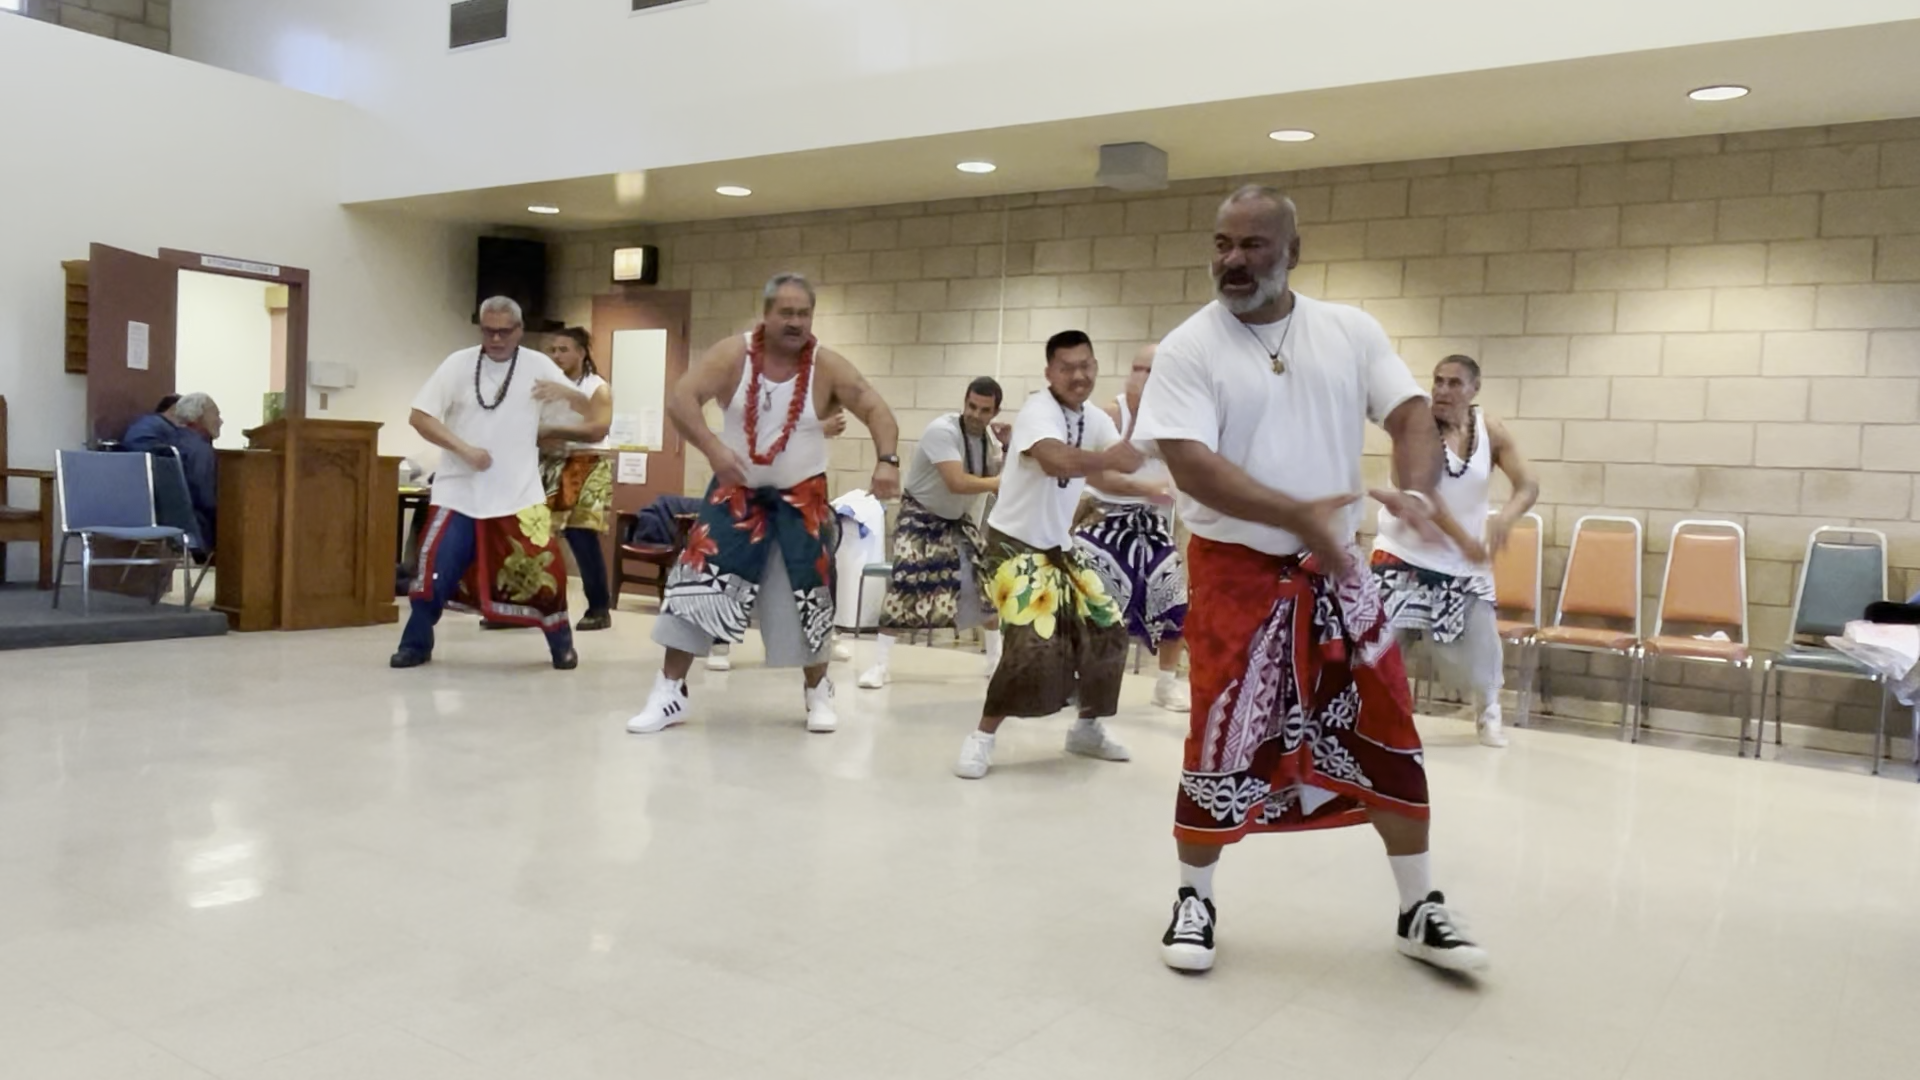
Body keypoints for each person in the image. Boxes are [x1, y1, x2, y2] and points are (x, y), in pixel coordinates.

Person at [1133, 185, 1490, 975]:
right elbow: (1195, 468)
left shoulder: (1347, 330)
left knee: (1389, 719)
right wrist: (1301, 518)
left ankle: (1419, 908)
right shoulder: (1190, 348)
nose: (1233, 260)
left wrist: (1421, 489)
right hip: (1236, 574)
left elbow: (1408, 416)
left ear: (1293, 251)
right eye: (1222, 243)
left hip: (1337, 571)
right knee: (1221, 733)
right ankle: (1194, 898)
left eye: (1253, 245)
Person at [626, 273, 901, 735]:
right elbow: (681, 398)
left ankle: (818, 692)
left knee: (808, 596)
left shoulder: (827, 366)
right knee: (695, 589)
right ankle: (669, 692)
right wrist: (714, 449)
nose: (795, 322)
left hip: (802, 500)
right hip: (735, 495)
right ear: (766, 314)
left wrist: (887, 460)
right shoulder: (734, 356)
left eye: (804, 313)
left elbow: (876, 408)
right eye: (786, 312)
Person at [952, 330, 1148, 780]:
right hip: (1013, 544)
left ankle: (1087, 728)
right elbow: (1056, 461)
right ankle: (982, 737)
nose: (1079, 376)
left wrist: (1149, 487)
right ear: (1049, 373)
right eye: (1067, 368)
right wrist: (1113, 460)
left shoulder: (1094, 418)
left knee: (1107, 628)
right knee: (1032, 642)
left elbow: (1110, 469)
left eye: (1086, 365)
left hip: (1059, 546)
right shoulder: (1039, 410)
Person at [392, 296, 581, 671]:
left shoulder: (539, 365)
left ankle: (561, 643)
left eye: (504, 332)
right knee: (435, 568)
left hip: (520, 492)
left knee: (549, 575)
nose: (495, 339)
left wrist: (568, 403)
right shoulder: (458, 364)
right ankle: (415, 643)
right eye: (488, 331)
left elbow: (588, 413)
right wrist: (464, 450)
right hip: (458, 491)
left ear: (520, 330)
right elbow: (420, 416)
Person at [1370, 354, 1540, 749]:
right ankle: (1371, 724)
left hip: (1461, 565)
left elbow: (1528, 484)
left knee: (1482, 650)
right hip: (1403, 555)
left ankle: (1488, 716)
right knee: (1380, 645)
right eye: (1438, 381)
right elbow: (1421, 493)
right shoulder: (1416, 428)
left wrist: (1506, 518)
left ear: (1473, 389)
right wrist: (1465, 539)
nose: (1442, 390)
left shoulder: (1491, 432)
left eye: (1454, 383)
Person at [858, 376, 1006, 689]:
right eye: (971, 406)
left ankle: (996, 662)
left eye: (984, 410)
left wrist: (1010, 445)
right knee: (906, 581)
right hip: (920, 516)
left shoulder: (989, 441)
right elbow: (958, 482)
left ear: (995, 412)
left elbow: (996, 474)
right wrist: (997, 483)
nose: (976, 414)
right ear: (964, 402)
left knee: (984, 586)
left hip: (956, 520)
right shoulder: (943, 431)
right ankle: (879, 666)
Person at [1076, 343, 1192, 713]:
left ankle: (1165, 683)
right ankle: (1081, 679)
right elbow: (1095, 472)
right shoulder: (1111, 414)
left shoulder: (1175, 420)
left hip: (1149, 523)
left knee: (1173, 595)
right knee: (1098, 597)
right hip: (1102, 518)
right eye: (1136, 368)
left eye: (1149, 371)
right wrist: (1145, 488)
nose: (1139, 377)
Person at [536, 327, 617, 631]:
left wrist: (552, 432)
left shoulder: (596, 387)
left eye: (564, 349)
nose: (557, 356)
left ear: (582, 352)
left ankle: (598, 607)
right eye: (553, 350)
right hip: (549, 461)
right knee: (535, 532)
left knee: (580, 535)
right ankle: (528, 603)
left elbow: (599, 428)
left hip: (587, 461)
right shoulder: (545, 386)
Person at [125, 391, 221, 550]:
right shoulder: (200, 451)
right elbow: (207, 500)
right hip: (196, 529)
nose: (220, 421)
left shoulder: (169, 444)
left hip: (160, 519)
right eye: (216, 414)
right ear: (198, 417)